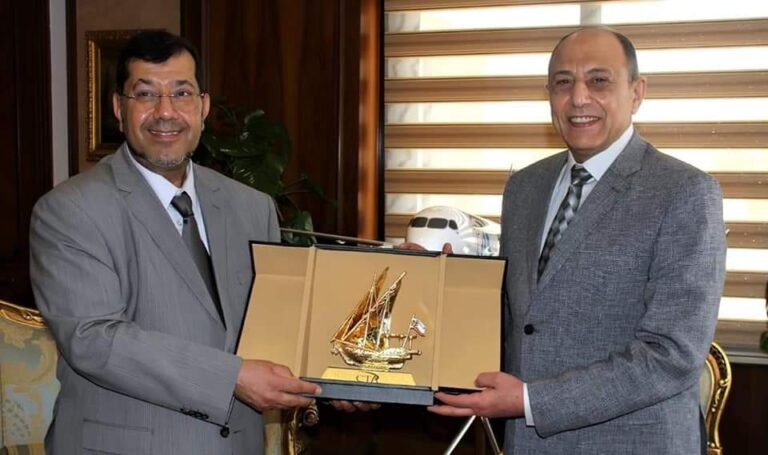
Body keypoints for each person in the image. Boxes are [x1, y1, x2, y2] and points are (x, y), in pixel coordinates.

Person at [427, 27, 726, 454]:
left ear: (637, 93)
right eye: (563, 82)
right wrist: (435, 291)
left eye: (599, 80)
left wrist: (531, 401)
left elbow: (672, 355)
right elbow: (517, 319)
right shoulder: (524, 188)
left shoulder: (684, 192)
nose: (579, 98)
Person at [29, 31, 320, 454]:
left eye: (181, 93)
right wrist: (231, 378)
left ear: (203, 107)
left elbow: (275, 329)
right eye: (145, 94)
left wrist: (340, 376)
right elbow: (93, 339)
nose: (165, 112)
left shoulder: (252, 208)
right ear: (119, 109)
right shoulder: (70, 210)